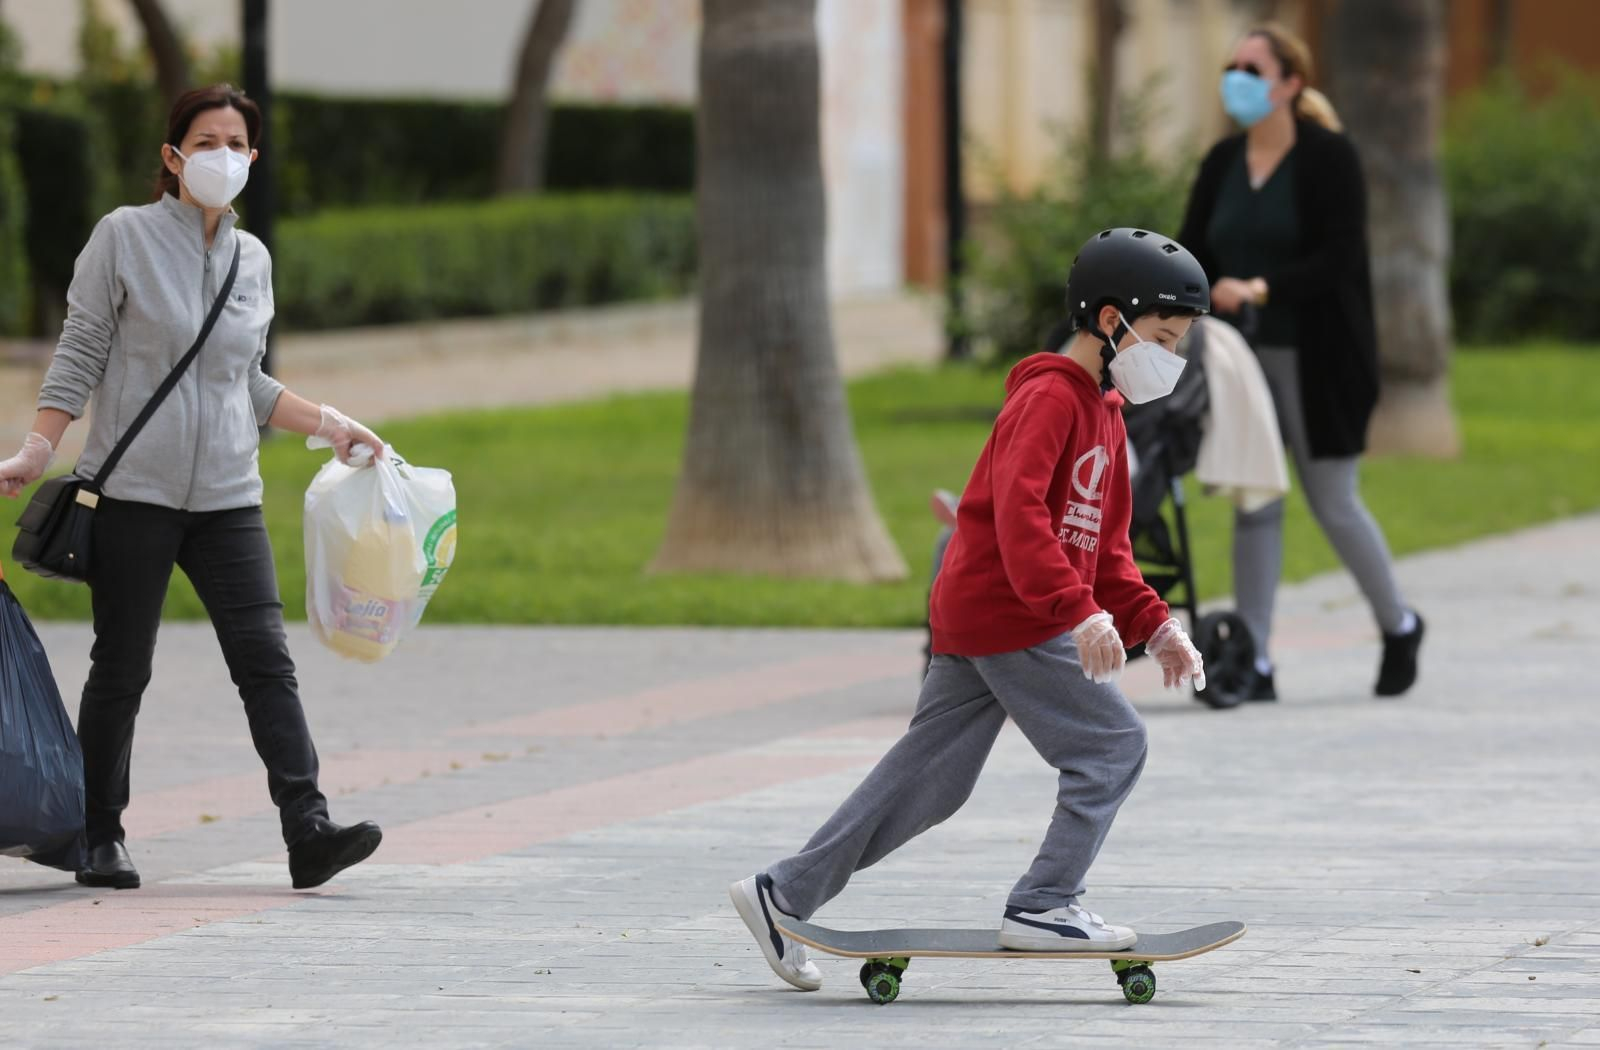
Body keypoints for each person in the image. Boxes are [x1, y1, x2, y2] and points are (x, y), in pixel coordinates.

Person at [731, 229, 1210, 990]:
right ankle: (1046, 903)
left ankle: (782, 893)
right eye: (1161, 337)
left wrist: (1158, 624)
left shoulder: (1107, 415)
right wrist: (1075, 613)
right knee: (1112, 746)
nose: (1170, 358)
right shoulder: (1051, 397)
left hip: (993, 611)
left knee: (931, 781)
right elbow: (1018, 515)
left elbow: (1108, 549)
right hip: (1013, 611)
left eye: (1178, 343)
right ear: (1111, 319)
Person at [0, 84, 386, 891]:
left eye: (234, 143)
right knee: (123, 668)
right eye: (203, 141)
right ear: (173, 158)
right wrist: (39, 448)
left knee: (265, 662)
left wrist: (334, 424)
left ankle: (307, 827)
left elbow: (244, 380)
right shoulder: (125, 238)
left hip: (227, 498)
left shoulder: (254, 259)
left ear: (253, 157)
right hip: (134, 494)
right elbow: (79, 355)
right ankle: (100, 835)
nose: (221, 155)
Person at [1176, 22, 1425, 702]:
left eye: (1252, 69)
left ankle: (1399, 624)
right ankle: (1254, 659)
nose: (1238, 79)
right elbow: (1190, 247)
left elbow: (1339, 255)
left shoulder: (1328, 158)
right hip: (1241, 359)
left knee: (1333, 501)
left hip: (1320, 358)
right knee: (1255, 498)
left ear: (1290, 84)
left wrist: (1260, 287)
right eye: (1232, 66)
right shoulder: (1221, 162)